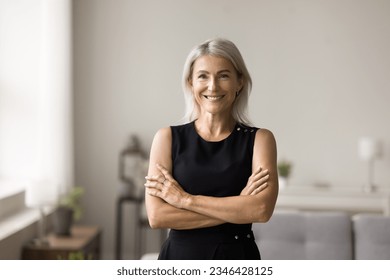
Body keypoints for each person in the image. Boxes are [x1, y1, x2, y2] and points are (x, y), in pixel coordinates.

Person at [144, 38, 278, 260]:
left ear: (240, 82)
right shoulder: (166, 138)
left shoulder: (261, 140)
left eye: (223, 75)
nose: (213, 86)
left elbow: (261, 210)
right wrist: (237, 207)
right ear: (191, 82)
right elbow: (157, 216)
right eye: (203, 76)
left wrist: (186, 200)